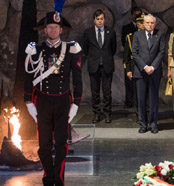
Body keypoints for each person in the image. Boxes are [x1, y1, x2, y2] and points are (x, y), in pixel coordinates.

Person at [24, 11, 82, 186]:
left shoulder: (71, 49)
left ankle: (59, 178)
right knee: (44, 145)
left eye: (56, 27)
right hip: (42, 101)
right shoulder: (36, 50)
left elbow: (77, 78)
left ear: (61, 30)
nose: (53, 30)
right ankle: (48, 178)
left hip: (63, 101)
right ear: (45, 30)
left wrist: (76, 103)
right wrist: (28, 101)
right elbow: (28, 76)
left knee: (61, 144)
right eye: (50, 27)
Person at [132, 14, 165, 134]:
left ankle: (153, 124)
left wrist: (153, 67)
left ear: (155, 24)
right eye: (147, 23)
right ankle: (143, 124)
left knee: (153, 99)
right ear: (143, 24)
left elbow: (161, 52)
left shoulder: (159, 34)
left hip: (154, 72)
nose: (150, 25)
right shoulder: (137, 35)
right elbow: (134, 53)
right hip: (141, 72)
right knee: (141, 100)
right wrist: (145, 67)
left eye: (152, 23)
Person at [82, 9, 117, 123]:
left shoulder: (110, 32)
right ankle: (96, 113)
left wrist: (105, 57)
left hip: (107, 65)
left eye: (102, 19)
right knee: (95, 91)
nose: (100, 21)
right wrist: (94, 58)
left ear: (104, 19)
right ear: (94, 20)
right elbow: (85, 49)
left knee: (107, 92)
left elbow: (113, 48)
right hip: (94, 65)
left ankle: (107, 114)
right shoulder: (88, 32)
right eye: (98, 19)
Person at [123, 13, 146, 123]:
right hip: (135, 66)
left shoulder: (150, 35)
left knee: (148, 93)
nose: (143, 25)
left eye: (144, 22)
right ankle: (139, 115)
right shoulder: (130, 37)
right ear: (137, 24)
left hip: (148, 67)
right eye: (141, 22)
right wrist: (128, 70)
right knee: (137, 94)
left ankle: (148, 113)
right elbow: (126, 56)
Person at [121, 7, 142, 108]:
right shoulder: (128, 30)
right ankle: (130, 102)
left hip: (143, 62)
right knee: (130, 84)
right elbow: (124, 44)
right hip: (132, 60)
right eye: (135, 14)